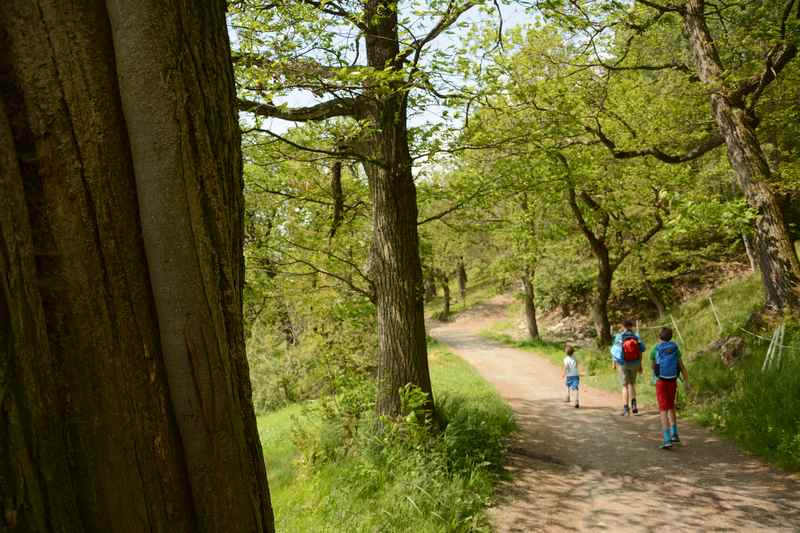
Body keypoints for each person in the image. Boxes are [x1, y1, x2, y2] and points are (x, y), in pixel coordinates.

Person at [652, 327, 690, 449]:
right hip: (672, 380)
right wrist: (687, 382)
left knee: (663, 409)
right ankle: (674, 433)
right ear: (671, 337)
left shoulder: (655, 349)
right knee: (671, 405)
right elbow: (682, 366)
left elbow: (653, 366)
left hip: (661, 381)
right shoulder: (675, 349)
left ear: (659, 337)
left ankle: (667, 438)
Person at [611, 319, 645, 416]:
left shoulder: (619, 336)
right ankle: (634, 406)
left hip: (623, 364)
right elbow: (641, 350)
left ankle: (626, 409)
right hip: (635, 363)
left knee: (624, 386)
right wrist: (640, 365)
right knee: (632, 384)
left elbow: (615, 352)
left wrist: (613, 363)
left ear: (623, 326)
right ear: (631, 326)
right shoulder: (636, 336)